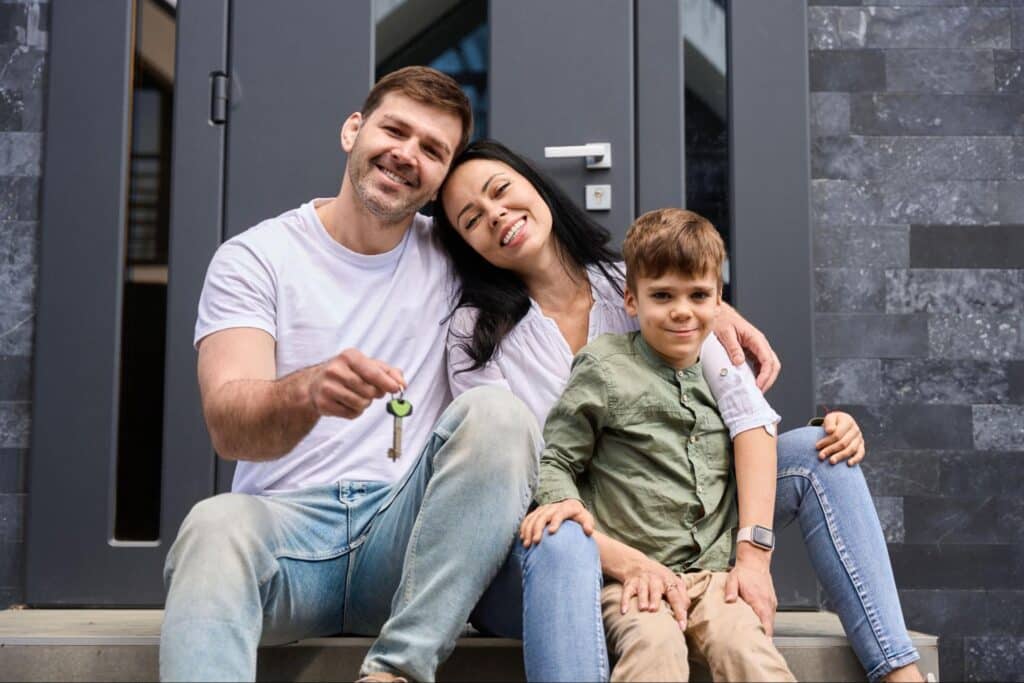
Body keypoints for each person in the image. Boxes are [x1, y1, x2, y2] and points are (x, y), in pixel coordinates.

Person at [159, 67, 610, 683]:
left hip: (410, 544)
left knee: (498, 416)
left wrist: (708, 311)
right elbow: (230, 428)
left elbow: (575, 276)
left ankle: (396, 670)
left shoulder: (463, 254)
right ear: (353, 129)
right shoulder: (256, 257)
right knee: (212, 527)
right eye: (395, 130)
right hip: (286, 536)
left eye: (432, 150)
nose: (406, 155)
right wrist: (307, 390)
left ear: (440, 181)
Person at [436, 140, 928, 682]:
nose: (497, 216)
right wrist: (627, 563)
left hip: (689, 509)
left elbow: (747, 418)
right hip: (579, 540)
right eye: (472, 220)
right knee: (564, 537)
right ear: (467, 246)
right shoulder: (475, 334)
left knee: (818, 452)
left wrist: (753, 557)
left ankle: (898, 670)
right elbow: (516, 482)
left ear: (534, 183)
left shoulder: (651, 280)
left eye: (501, 191)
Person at [532, 207, 795, 680]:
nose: (681, 310)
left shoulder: (725, 375)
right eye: (662, 295)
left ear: (720, 302)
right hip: (633, 577)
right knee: (654, 649)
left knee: (748, 652)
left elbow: (756, 436)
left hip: (715, 576)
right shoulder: (604, 367)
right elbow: (556, 461)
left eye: (698, 295)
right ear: (631, 301)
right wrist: (568, 511)